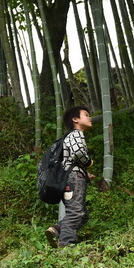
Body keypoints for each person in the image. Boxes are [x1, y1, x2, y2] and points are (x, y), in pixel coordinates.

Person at [45, 106, 94, 248]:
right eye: (86, 114)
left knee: (82, 214)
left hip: (70, 177)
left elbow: (70, 160)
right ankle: (66, 244)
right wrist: (89, 163)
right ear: (75, 119)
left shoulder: (69, 137)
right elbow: (78, 153)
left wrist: (85, 174)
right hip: (73, 178)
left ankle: (57, 229)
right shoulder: (76, 134)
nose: (89, 117)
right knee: (76, 212)